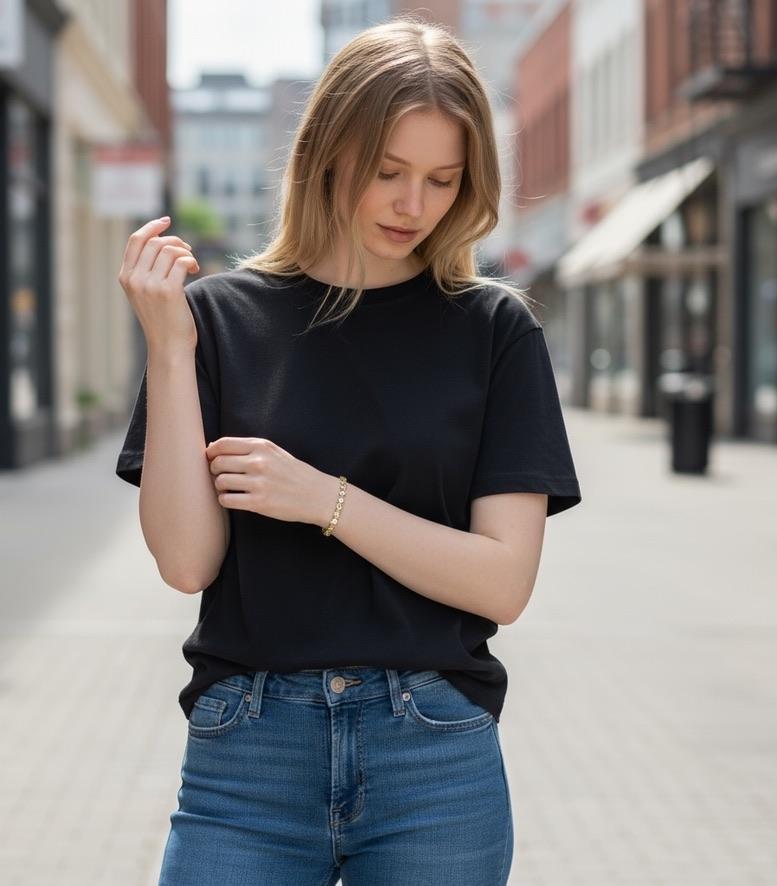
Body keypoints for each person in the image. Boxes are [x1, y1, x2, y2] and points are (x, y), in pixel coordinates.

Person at [115, 16, 581, 886]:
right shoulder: (216, 322)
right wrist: (170, 350)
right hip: (246, 757)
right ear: (329, 152)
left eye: (444, 180)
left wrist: (323, 499)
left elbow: (502, 583)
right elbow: (186, 563)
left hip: (433, 758)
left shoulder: (493, 330)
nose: (415, 205)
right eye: (389, 172)